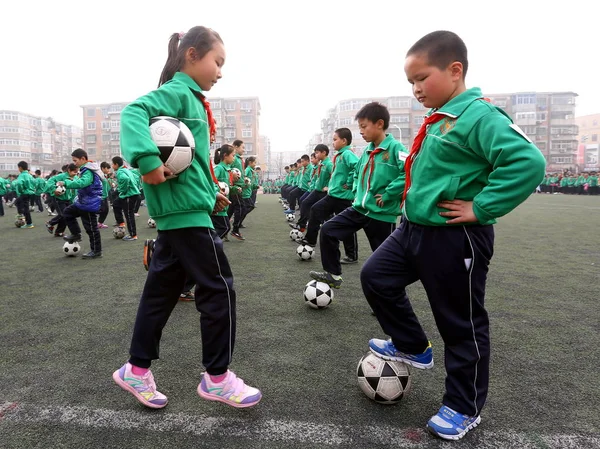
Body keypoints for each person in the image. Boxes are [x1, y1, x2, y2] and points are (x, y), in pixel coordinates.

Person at [362, 31, 546, 440]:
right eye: (410, 82)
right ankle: (412, 344)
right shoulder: (441, 117)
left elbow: (528, 162)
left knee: (460, 324)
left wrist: (480, 207)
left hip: (454, 238)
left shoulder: (478, 116)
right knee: (375, 277)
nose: (415, 89)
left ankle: (464, 406)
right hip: (412, 231)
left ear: (455, 70)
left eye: (422, 78)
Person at [113, 26, 261, 410]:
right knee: (218, 288)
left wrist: (213, 192)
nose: (221, 71)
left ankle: (137, 369)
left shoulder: (192, 99)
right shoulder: (178, 92)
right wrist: (147, 160)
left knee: (160, 293)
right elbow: (133, 112)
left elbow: (192, 160)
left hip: (186, 209)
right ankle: (217, 377)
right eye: (218, 62)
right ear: (192, 55)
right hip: (183, 214)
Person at [309, 103, 406, 288]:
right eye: (359, 126)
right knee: (329, 230)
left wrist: (388, 194)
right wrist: (355, 189)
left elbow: (408, 172)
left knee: (385, 260)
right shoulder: (366, 152)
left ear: (379, 123)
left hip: (381, 213)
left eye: (363, 126)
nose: (360, 131)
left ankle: (388, 295)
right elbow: (357, 173)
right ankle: (333, 274)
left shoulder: (396, 148)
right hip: (359, 208)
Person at [300, 128, 359, 264]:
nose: (333, 142)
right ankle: (311, 239)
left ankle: (352, 255)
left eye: (335, 139)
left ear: (344, 141)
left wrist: (349, 182)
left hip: (343, 197)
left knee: (346, 226)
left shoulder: (347, 154)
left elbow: (358, 167)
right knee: (315, 209)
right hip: (333, 194)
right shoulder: (339, 155)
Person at [58, 149, 104, 258]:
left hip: (89, 203)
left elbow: (83, 183)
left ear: (83, 158)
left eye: (75, 160)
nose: (74, 163)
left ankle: (96, 251)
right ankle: (76, 234)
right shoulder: (86, 169)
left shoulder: (88, 170)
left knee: (91, 229)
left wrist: (66, 183)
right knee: (67, 212)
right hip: (83, 202)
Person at [111, 156, 141, 241]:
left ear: (116, 164)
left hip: (129, 195)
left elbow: (125, 179)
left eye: (112, 164)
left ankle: (133, 235)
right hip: (131, 194)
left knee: (129, 214)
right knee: (116, 204)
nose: (112, 166)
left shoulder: (120, 172)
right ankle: (121, 223)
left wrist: (122, 190)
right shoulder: (126, 170)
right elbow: (136, 177)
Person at [227, 139, 246, 240]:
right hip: (235, 187)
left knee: (231, 209)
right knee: (241, 207)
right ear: (236, 146)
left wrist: (244, 180)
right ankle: (235, 230)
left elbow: (239, 172)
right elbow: (228, 169)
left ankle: (225, 229)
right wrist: (232, 174)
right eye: (242, 147)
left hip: (239, 186)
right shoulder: (233, 158)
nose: (244, 150)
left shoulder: (239, 159)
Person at [14, 161, 36, 228]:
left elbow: (19, 184)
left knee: (25, 208)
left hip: (24, 193)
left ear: (20, 167)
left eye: (18, 168)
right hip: (30, 193)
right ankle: (21, 216)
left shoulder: (22, 175)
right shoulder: (30, 175)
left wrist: (21, 191)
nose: (18, 169)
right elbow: (34, 183)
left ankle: (28, 223)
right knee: (18, 202)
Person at [98, 162, 112, 229]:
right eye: (107, 169)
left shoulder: (104, 176)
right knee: (102, 210)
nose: (108, 171)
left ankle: (100, 223)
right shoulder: (99, 176)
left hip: (105, 195)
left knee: (105, 210)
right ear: (103, 168)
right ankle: (97, 223)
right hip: (101, 196)